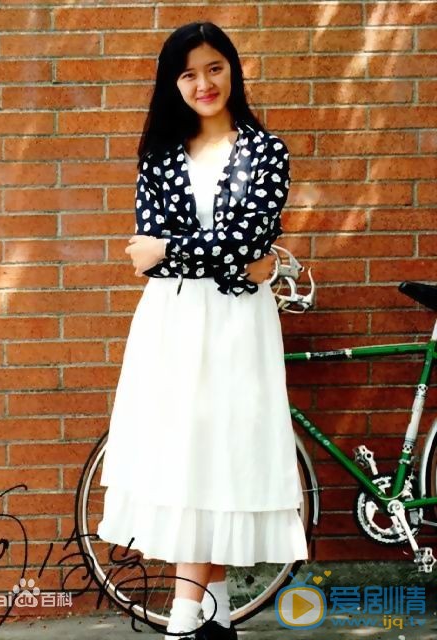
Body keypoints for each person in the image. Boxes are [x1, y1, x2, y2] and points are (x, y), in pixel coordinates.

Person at [96, 21, 308, 640]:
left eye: (214, 67)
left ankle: (183, 625)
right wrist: (238, 260)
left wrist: (173, 250)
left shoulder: (265, 151)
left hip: (237, 325)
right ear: (173, 83)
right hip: (172, 322)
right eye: (188, 73)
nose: (203, 83)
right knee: (188, 461)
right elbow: (160, 256)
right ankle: (212, 622)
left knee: (222, 457)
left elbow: (245, 239)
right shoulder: (160, 155)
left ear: (232, 69)